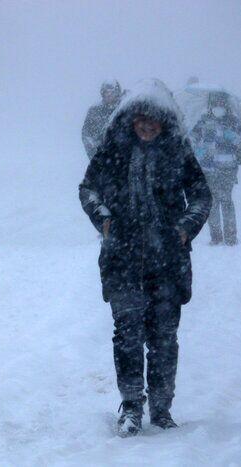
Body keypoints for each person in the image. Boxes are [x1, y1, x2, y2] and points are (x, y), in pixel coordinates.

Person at [79, 79, 211, 437]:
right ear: (131, 119)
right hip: (122, 261)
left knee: (164, 338)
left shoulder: (179, 153)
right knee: (127, 336)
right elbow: (88, 189)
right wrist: (104, 220)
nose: (147, 125)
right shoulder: (112, 151)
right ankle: (132, 407)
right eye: (141, 118)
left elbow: (201, 196)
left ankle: (163, 408)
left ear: (165, 122)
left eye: (155, 119)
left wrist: (185, 228)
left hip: (168, 263)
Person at [190, 91, 241, 245]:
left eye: (221, 104)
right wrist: (198, 151)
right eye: (215, 104)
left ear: (225, 105)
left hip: (227, 169)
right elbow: (191, 140)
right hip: (207, 170)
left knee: (226, 201)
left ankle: (231, 237)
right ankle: (216, 237)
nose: (218, 107)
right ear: (211, 106)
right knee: (212, 203)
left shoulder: (234, 123)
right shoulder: (203, 122)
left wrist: (234, 143)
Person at [81, 79, 124, 159]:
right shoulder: (94, 110)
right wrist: (94, 153)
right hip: (100, 157)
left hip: (122, 158)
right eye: (106, 92)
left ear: (117, 93)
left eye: (112, 92)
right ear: (102, 93)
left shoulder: (124, 108)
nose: (109, 95)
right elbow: (86, 134)